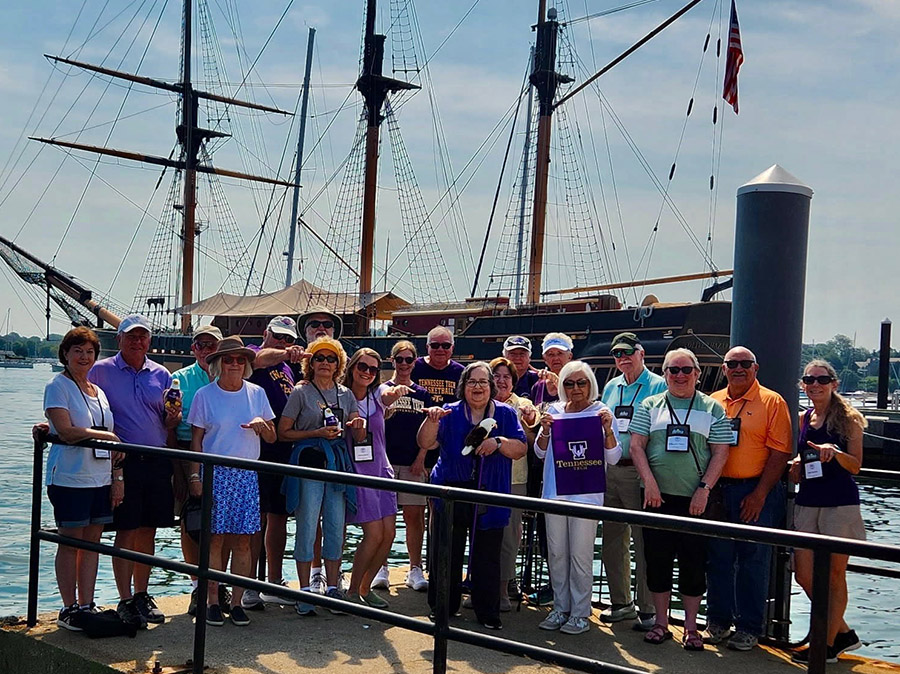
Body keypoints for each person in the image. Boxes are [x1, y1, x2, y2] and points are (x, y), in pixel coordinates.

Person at [628, 348, 732, 651]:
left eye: (687, 370)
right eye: (673, 370)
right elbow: (636, 446)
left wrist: (704, 489)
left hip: (694, 500)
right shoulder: (650, 404)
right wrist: (649, 484)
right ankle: (661, 622)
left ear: (697, 374)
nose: (680, 375)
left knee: (693, 565)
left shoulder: (712, 408)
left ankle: (690, 627)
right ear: (665, 374)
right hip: (656, 498)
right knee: (656, 562)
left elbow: (721, 452)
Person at [418, 362, 527, 630]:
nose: (477, 387)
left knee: (488, 556)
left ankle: (487, 610)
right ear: (463, 386)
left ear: (491, 386)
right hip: (451, 490)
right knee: (446, 552)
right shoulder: (449, 413)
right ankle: (443, 606)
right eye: (471, 382)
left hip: (490, 493)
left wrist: (498, 443)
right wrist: (431, 421)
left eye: (483, 382)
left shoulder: (506, 414)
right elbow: (425, 443)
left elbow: (521, 448)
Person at [88, 314, 179, 628]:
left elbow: (168, 421)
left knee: (148, 529)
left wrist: (173, 417)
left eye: (142, 337)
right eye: (131, 336)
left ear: (149, 341)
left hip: (156, 459)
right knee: (126, 530)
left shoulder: (162, 374)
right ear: (119, 338)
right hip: (123, 461)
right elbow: (85, 403)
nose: (137, 342)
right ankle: (124, 597)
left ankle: (142, 593)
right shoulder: (101, 371)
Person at [706, 346, 792, 651]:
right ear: (724, 367)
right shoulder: (713, 401)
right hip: (719, 490)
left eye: (745, 363)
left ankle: (749, 627)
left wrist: (760, 494)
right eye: (732, 363)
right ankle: (717, 621)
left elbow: (781, 452)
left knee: (753, 560)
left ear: (755, 368)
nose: (738, 368)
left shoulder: (772, 401)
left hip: (756, 490)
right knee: (718, 557)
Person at [187, 337, 276, 627]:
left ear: (247, 364)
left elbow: (273, 436)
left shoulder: (257, 393)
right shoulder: (204, 395)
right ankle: (213, 600)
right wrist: (195, 475)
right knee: (213, 542)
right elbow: (196, 441)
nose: (235, 364)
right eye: (228, 359)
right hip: (215, 472)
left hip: (247, 473)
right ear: (218, 363)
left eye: (240, 359)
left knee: (243, 543)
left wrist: (264, 428)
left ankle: (237, 602)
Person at [278, 337, 366, 616]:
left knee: (335, 524)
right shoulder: (301, 393)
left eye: (331, 359)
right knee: (306, 524)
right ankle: (304, 588)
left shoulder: (346, 394)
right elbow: (283, 432)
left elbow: (358, 432)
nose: (325, 363)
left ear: (338, 364)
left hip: (337, 464)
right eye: (319, 358)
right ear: (310, 363)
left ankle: (331, 586)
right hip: (311, 461)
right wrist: (315, 433)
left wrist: (358, 425)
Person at [534, 361, 621, 635]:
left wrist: (607, 430)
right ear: (562, 386)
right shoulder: (554, 411)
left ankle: (581, 613)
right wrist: (545, 429)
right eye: (569, 383)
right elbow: (538, 452)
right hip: (554, 492)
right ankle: (561, 607)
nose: (575, 388)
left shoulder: (601, 412)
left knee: (581, 557)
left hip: (587, 494)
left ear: (590, 385)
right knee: (557, 553)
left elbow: (614, 457)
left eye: (581, 382)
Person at [43, 327, 121, 630]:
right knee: (70, 541)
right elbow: (65, 430)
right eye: (78, 351)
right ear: (65, 354)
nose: (84, 357)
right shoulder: (57, 386)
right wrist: (102, 436)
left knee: (92, 543)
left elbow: (109, 439)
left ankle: (87, 603)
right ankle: (68, 607)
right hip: (70, 477)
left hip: (99, 478)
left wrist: (117, 475)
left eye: (89, 352)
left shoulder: (98, 391)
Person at [789, 360, 866, 664]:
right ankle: (843, 632)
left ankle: (827, 645)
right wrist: (795, 467)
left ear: (834, 383)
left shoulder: (850, 420)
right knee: (804, 575)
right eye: (809, 379)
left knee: (834, 576)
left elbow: (856, 465)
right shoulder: (803, 418)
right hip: (808, 500)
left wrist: (836, 454)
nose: (815, 384)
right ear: (803, 384)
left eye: (822, 379)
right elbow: (801, 458)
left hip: (839, 503)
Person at [599, 332, 666, 630]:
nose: (622, 358)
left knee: (643, 541)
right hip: (610, 469)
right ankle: (621, 603)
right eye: (616, 354)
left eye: (627, 352)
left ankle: (648, 609)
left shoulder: (658, 385)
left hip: (640, 471)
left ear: (641, 353)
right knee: (613, 541)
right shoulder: (612, 386)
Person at [243, 315, 306, 609]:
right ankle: (249, 583)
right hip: (258, 448)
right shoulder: (256, 354)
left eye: (289, 339)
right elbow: (258, 359)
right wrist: (285, 352)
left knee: (279, 516)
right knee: (257, 518)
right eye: (279, 337)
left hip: (284, 449)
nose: (283, 343)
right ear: (267, 333)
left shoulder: (289, 370)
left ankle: (274, 579)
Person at [344, 348, 410, 607]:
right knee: (373, 534)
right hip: (359, 473)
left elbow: (388, 394)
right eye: (363, 367)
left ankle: (364, 586)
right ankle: (352, 590)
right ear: (352, 367)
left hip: (382, 470)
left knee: (389, 534)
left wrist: (395, 392)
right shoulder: (343, 397)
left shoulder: (377, 396)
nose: (368, 373)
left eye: (373, 369)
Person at [171, 325, 225, 616]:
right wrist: (180, 471)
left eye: (212, 345)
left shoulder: (230, 376)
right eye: (201, 345)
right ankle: (196, 585)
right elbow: (169, 423)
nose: (207, 350)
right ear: (193, 349)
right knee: (190, 522)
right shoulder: (178, 379)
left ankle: (220, 582)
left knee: (223, 525)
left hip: (222, 452)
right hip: (185, 449)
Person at [380, 340, 433, 592]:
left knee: (414, 516)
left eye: (408, 360)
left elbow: (428, 429)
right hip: (386, 462)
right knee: (385, 518)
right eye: (399, 359)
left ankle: (415, 568)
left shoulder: (422, 394)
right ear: (392, 362)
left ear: (415, 362)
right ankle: (381, 565)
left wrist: (421, 457)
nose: (403, 364)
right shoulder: (381, 391)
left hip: (413, 462)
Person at [490, 356, 538, 611]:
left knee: (509, 538)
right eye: (496, 376)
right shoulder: (481, 402)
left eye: (506, 377)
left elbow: (532, 429)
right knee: (485, 535)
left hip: (514, 479)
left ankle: (502, 590)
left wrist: (529, 420)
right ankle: (481, 585)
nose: (501, 381)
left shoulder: (523, 404)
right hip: (484, 478)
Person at [411, 326, 464, 407]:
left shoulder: (461, 372)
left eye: (446, 345)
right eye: (435, 345)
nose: (440, 349)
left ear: (452, 348)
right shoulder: (413, 366)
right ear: (427, 347)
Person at [531, 333, 574, 407]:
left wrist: (556, 381)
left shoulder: (578, 382)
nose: (555, 358)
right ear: (544, 358)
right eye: (551, 354)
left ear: (570, 356)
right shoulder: (538, 386)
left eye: (560, 353)